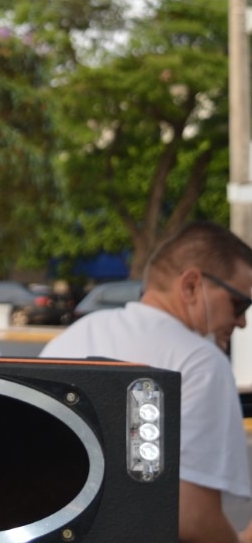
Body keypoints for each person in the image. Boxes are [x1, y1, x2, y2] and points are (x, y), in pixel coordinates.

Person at [42, 221, 252, 543]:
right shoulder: (201, 361)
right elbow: (192, 517)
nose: (242, 321)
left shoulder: (78, 333)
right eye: (239, 303)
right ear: (192, 285)